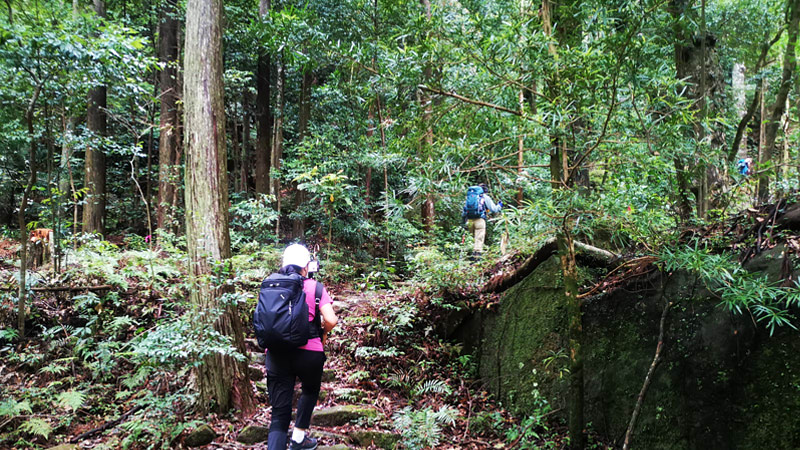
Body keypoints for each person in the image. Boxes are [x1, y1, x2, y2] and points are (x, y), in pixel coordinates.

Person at [266, 244, 338, 450]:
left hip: (277, 353)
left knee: (279, 414)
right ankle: (298, 439)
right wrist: (323, 331)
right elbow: (331, 319)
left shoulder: (271, 284)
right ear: (306, 266)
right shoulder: (315, 287)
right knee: (310, 389)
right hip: (310, 352)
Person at [462, 183, 502, 258]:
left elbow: (464, 211)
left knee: (472, 238)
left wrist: (464, 222)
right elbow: (494, 209)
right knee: (479, 239)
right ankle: (476, 257)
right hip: (480, 220)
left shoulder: (469, 196)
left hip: (469, 220)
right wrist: (500, 205)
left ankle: (469, 255)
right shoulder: (485, 197)